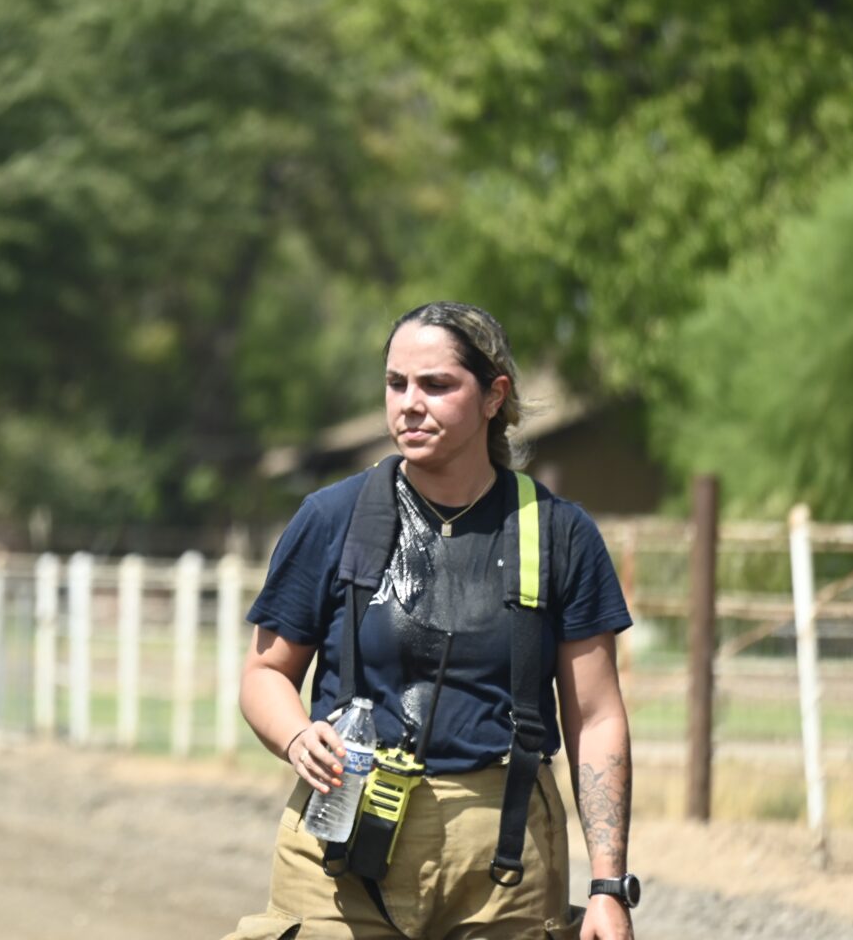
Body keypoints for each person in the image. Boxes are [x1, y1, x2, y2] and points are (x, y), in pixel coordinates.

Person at [223, 303, 635, 940]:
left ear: (494, 396)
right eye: (396, 384)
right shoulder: (331, 518)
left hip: (504, 857)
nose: (410, 404)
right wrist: (298, 736)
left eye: (436, 385)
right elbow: (264, 673)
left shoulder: (560, 533)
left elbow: (598, 716)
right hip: (338, 844)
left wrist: (608, 888)